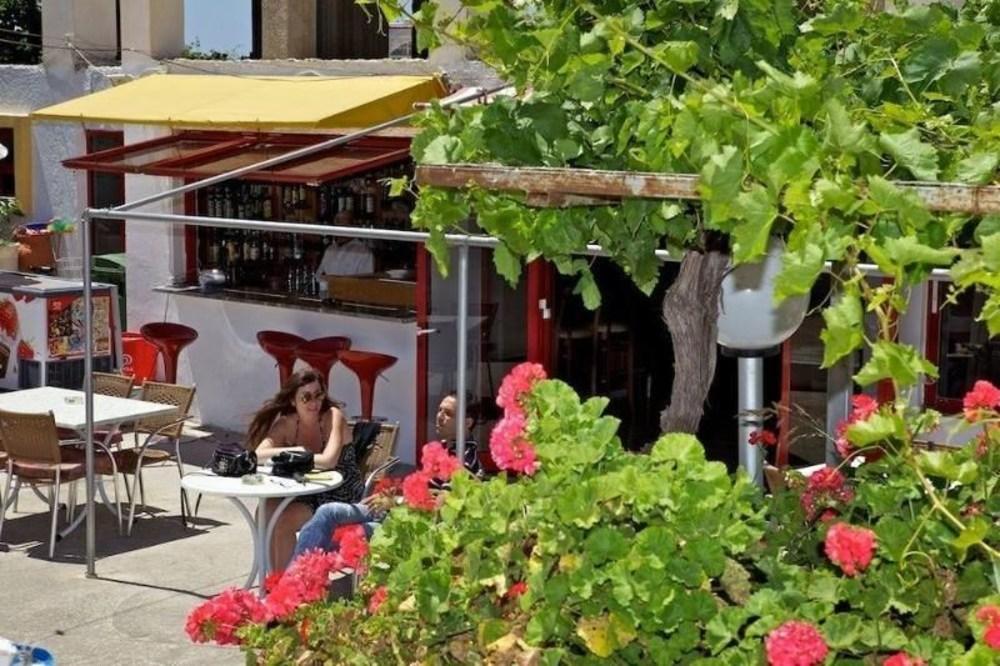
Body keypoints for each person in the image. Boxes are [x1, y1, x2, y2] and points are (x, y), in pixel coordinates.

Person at [291, 392, 483, 559]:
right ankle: (297, 578)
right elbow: (423, 492)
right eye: (439, 410)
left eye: (448, 413)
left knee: (339, 535)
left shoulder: (464, 460)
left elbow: (440, 508)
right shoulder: (443, 448)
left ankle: (299, 579)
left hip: (413, 526)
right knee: (327, 513)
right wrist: (393, 494)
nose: (439, 416)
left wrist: (396, 502)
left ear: (467, 422)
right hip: (397, 512)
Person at [248, 369, 365, 569]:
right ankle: (275, 579)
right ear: (293, 401)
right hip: (307, 489)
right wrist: (293, 450)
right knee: (264, 512)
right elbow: (258, 454)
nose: (314, 403)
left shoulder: (332, 416)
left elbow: (329, 461)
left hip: (340, 492)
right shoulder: (287, 423)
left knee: (283, 522)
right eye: (306, 397)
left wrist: (297, 457)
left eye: (318, 395)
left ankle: (287, 584)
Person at [315, 210, 375, 294]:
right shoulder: (330, 249)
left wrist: (336, 282)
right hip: (328, 296)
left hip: (350, 298)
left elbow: (365, 284)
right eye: (336, 222)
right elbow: (319, 277)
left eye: (342, 222)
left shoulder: (363, 252)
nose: (338, 226)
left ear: (352, 226)